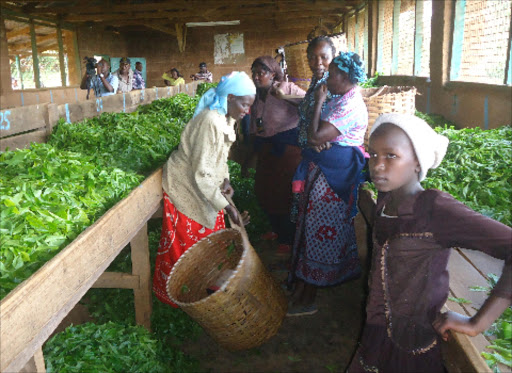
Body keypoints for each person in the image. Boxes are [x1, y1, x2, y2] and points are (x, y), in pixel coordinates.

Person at [348, 113, 511, 372]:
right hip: (376, 332)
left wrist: (477, 323)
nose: (378, 165)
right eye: (373, 154)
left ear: (417, 162)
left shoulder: (434, 209)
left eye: (391, 155)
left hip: (414, 345)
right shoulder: (385, 198)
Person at [152, 71, 256, 307]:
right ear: (230, 97)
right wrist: (229, 209)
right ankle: (175, 300)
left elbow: (219, 159)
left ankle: (202, 295)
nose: (247, 111)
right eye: (244, 104)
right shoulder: (210, 120)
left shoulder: (226, 118)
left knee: (209, 243)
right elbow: (201, 172)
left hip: (206, 188)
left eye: (249, 105)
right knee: (187, 249)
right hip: (187, 189)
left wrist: (226, 181)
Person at [286, 51, 368, 317]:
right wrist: (318, 135)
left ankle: (308, 296)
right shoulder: (341, 97)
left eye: (332, 74)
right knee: (309, 226)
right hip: (324, 168)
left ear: (344, 77)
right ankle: (301, 286)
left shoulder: (350, 104)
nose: (327, 78)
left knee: (319, 230)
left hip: (334, 178)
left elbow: (315, 135)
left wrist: (320, 104)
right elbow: (318, 133)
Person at [246, 55, 305, 253]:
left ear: (272, 74)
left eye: (260, 73)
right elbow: (255, 125)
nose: (256, 77)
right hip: (266, 149)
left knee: (285, 193)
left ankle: (288, 238)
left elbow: (310, 104)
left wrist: (285, 98)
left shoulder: (285, 88)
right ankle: (276, 230)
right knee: (265, 190)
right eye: (253, 73)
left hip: (288, 150)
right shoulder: (255, 96)